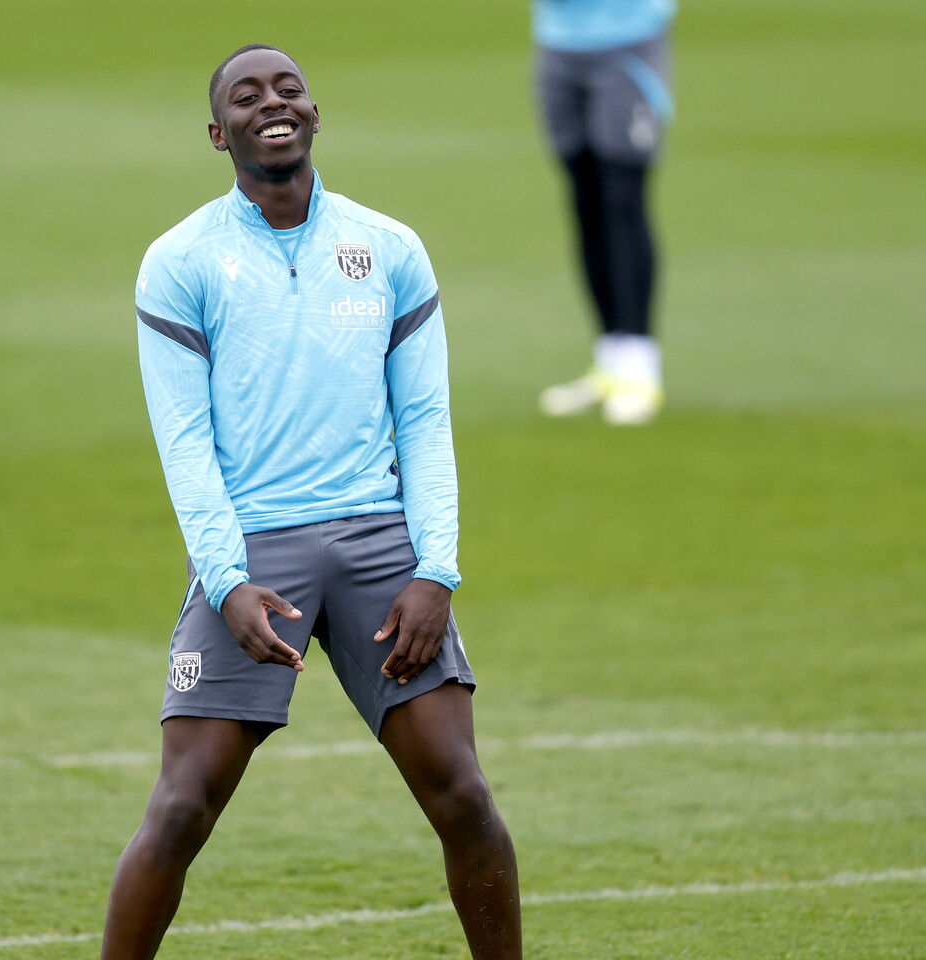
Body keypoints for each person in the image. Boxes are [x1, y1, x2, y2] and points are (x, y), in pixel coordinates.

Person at [103, 44, 521, 959]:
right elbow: (185, 443)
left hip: (380, 547)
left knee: (463, 796)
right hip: (255, 551)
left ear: (315, 115)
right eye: (247, 97)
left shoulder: (390, 248)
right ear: (219, 134)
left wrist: (436, 570)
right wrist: (225, 581)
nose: (272, 104)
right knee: (181, 808)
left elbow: (426, 420)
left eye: (288, 89)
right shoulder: (181, 261)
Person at [533, 0, 675, 425]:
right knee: (585, 203)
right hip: (557, 43)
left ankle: (640, 366)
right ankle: (612, 360)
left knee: (623, 200)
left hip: (627, 41)